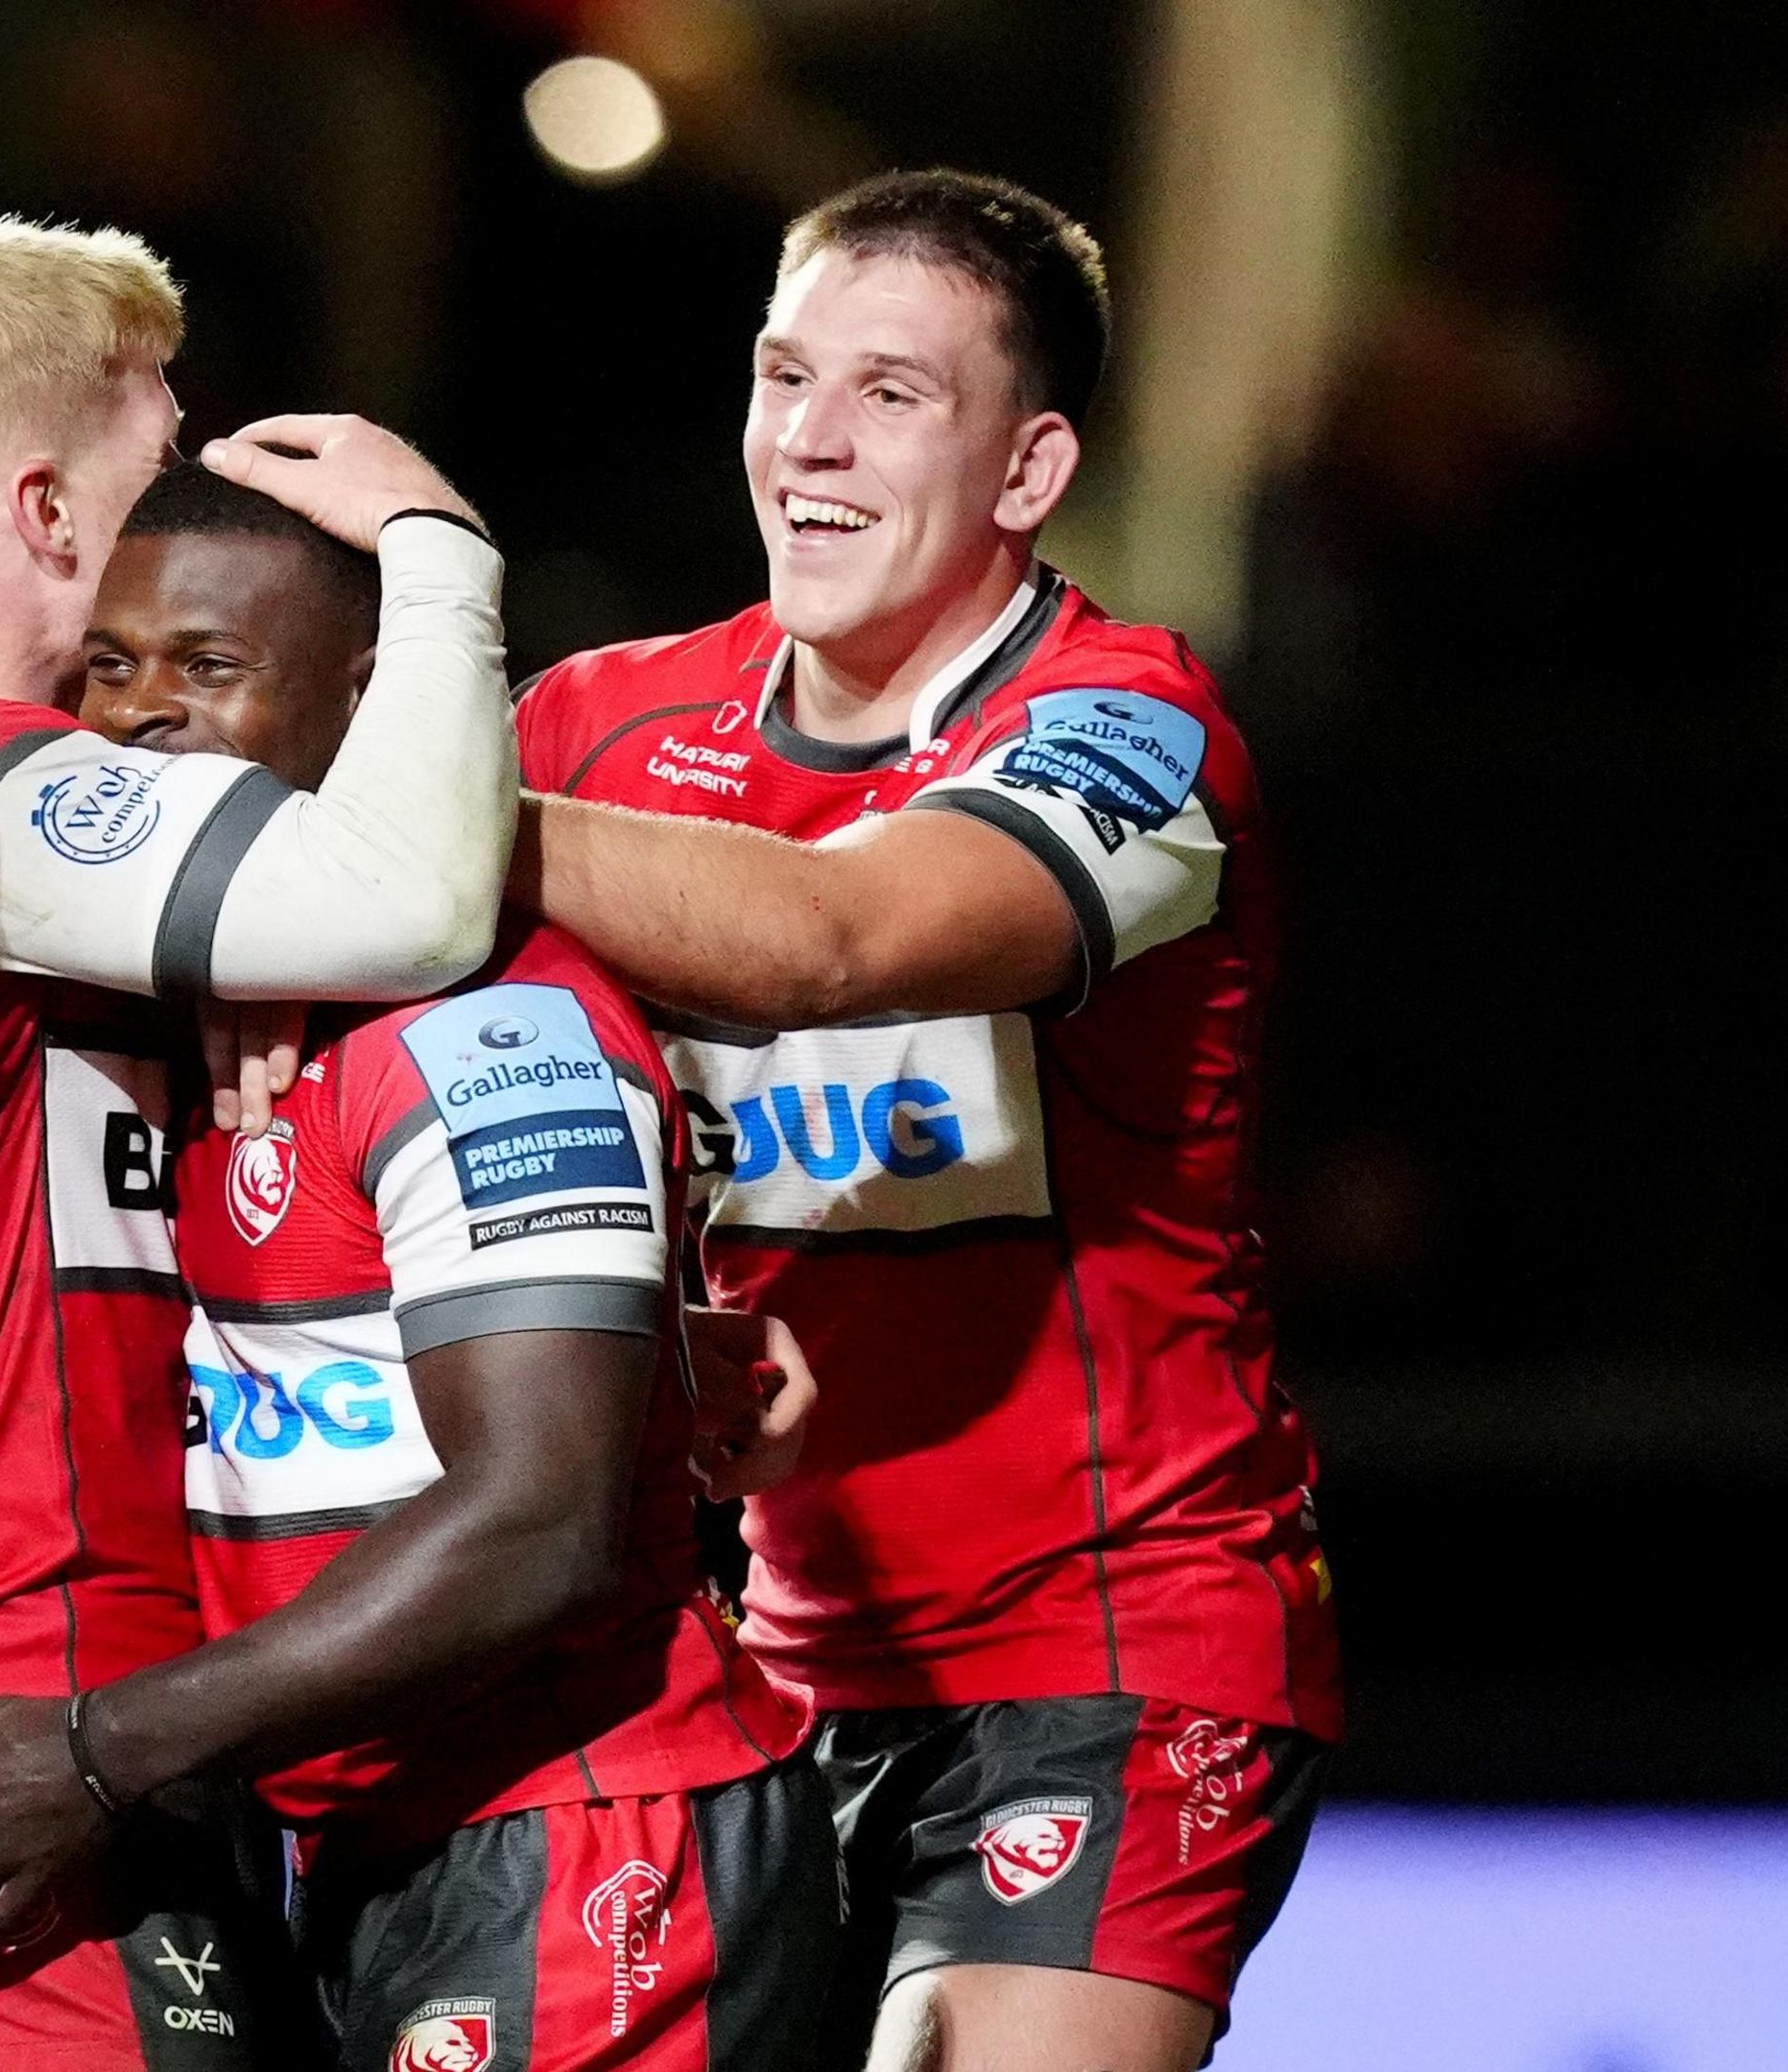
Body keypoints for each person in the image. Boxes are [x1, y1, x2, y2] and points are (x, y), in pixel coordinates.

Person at [507, 170, 1336, 2072]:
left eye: (892, 394)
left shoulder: (1132, 731)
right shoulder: (604, 732)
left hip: (1121, 1648)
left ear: (1029, 471)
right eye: (785, 374)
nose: (807, 439)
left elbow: (832, 941)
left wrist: (419, 819)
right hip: (772, 1668)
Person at [0, 462, 836, 2071]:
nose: (142, 716)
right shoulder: (203, 1025)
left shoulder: (489, 1028)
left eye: (210, 667)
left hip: (593, 1842)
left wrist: (103, 1750)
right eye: (108, 666)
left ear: (374, 701)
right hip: (392, 1852)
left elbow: (548, 1524)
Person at [0, 214, 517, 2071]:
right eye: (153, 470)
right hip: (3, 1765)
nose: (174, 521)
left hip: (59, 1740)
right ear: (51, 514)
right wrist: (438, 555)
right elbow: (409, 894)